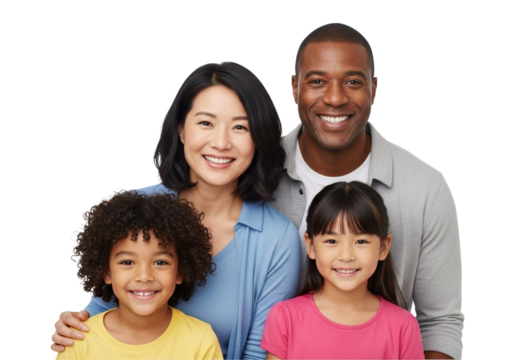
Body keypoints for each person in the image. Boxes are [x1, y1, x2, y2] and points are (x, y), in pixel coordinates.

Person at [50, 61, 302, 359]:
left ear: (259, 139)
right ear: (181, 129)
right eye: (205, 123)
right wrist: (75, 324)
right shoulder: (137, 207)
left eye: (240, 127)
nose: (221, 142)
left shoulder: (277, 240)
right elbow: (106, 305)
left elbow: (260, 352)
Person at [271, 23, 463, 359]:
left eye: (353, 82)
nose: (334, 98)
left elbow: (440, 323)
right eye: (317, 81)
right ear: (294, 87)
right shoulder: (253, 173)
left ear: (374, 88)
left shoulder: (426, 189)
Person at [261, 181, 424, 359]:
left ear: (383, 248)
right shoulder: (285, 318)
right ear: (311, 246)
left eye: (361, 241)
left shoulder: (403, 326)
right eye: (332, 241)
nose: (346, 256)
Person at [56, 191, 222, 359]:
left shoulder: (200, 340)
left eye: (160, 262)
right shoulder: (77, 340)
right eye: (127, 262)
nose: (144, 276)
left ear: (180, 272)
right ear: (106, 272)